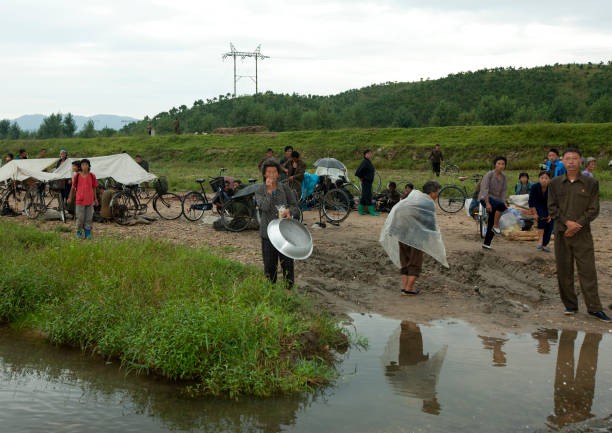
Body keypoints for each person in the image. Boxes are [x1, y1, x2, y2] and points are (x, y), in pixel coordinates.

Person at [548, 147, 610, 322]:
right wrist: (567, 223)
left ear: (580, 160)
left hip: (583, 234)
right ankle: (570, 305)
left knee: (588, 271)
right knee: (564, 270)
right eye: (568, 158)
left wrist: (578, 224)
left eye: (575, 158)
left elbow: (594, 209)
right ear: (563, 161)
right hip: (562, 233)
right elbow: (552, 208)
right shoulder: (555, 183)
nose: (571, 162)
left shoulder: (591, 183)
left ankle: (594, 308)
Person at [254, 159, 298, 288]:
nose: (272, 174)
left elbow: (295, 206)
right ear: (264, 174)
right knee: (269, 266)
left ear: (278, 174)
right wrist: (269, 191)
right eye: (269, 172)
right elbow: (265, 207)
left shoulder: (285, 189)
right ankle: (270, 291)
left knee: (288, 264)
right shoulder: (260, 190)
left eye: (274, 172)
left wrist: (289, 211)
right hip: (267, 234)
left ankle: (289, 290)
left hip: (284, 233)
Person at [479, 156, 508, 250]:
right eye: (498, 163)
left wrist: (504, 202)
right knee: (500, 206)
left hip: (496, 200)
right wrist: (487, 203)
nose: (501, 166)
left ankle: (487, 244)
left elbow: (503, 192)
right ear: (495, 165)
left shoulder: (504, 177)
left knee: (492, 219)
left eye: (503, 164)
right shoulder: (489, 175)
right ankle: (496, 225)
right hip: (485, 198)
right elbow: (484, 189)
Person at [67, 159, 98, 240]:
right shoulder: (77, 176)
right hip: (80, 201)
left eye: (86, 165)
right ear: (80, 166)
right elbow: (73, 188)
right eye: (83, 165)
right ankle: (79, 232)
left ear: (89, 166)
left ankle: (87, 233)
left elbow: (94, 187)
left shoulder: (92, 176)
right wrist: (70, 197)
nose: (84, 166)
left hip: (90, 200)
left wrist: (95, 199)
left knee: (89, 218)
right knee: (80, 218)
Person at [528, 170, 554, 252]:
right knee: (542, 219)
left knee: (550, 225)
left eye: (546, 178)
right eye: (542, 178)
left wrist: (551, 214)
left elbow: (555, 202)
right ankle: (540, 242)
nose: (544, 180)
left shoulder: (552, 188)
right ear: (539, 179)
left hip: (550, 207)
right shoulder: (534, 187)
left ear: (550, 179)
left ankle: (545, 244)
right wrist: (535, 214)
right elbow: (531, 201)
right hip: (538, 207)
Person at [355, 149, 378, 216]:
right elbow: (358, 172)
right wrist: (362, 178)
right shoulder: (365, 162)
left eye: (371, 153)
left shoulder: (368, 162)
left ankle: (360, 210)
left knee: (364, 196)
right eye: (369, 153)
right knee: (368, 196)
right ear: (365, 155)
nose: (370, 154)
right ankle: (371, 211)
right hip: (366, 182)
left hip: (368, 182)